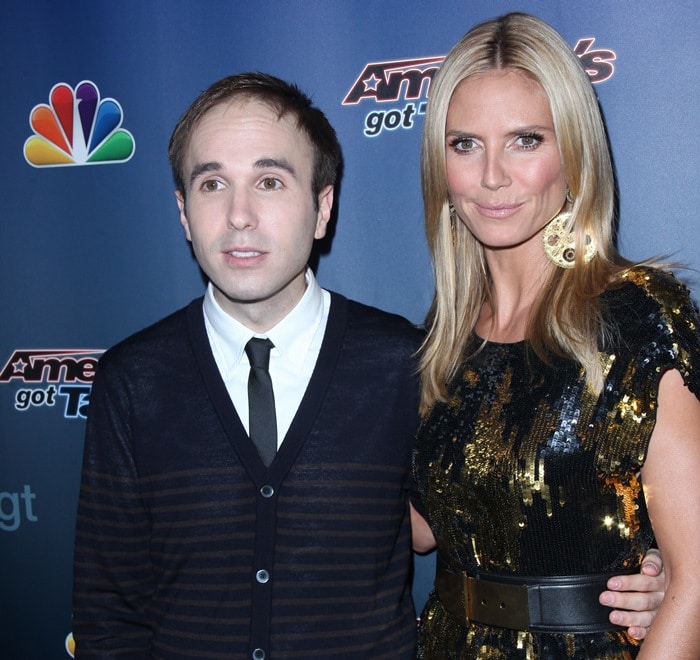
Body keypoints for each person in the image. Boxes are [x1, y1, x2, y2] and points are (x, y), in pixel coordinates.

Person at [72, 71, 666, 659]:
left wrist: (646, 575)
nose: (239, 215)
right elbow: (109, 616)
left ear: (322, 206)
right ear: (182, 212)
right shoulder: (132, 381)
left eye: (271, 181)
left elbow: (485, 507)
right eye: (211, 185)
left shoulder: (409, 362)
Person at [410, 11, 700, 659]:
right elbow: (420, 531)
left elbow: (695, 581)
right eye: (464, 145)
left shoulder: (636, 316)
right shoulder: (439, 343)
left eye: (525, 140)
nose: (491, 176)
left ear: (573, 150)